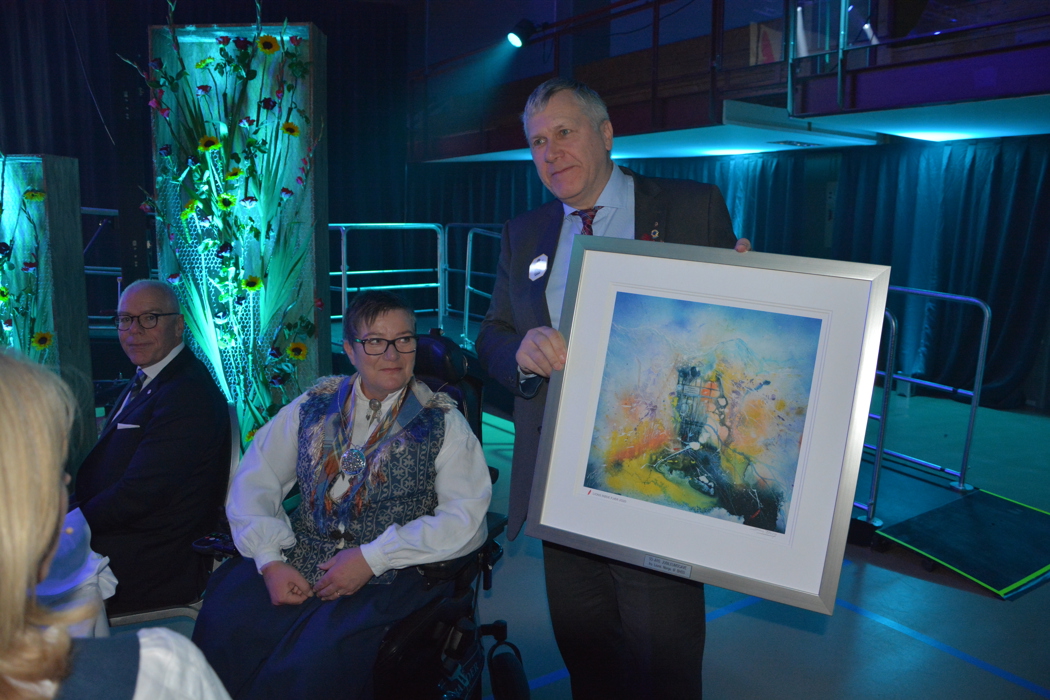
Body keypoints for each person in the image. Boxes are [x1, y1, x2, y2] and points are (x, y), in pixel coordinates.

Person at [476, 77, 749, 700]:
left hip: (660, 481)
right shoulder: (524, 232)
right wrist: (519, 352)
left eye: (564, 133)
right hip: (560, 484)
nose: (550, 153)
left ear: (605, 133)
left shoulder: (691, 208)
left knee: (663, 663)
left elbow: (725, 333)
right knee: (589, 659)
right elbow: (492, 332)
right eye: (537, 142)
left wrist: (749, 292)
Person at [192, 290, 492, 700]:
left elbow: (466, 520)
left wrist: (373, 558)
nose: (392, 354)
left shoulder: (443, 421)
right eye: (375, 341)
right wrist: (269, 560)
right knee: (226, 623)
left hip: (390, 572)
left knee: (309, 664)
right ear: (350, 349)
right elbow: (256, 479)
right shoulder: (313, 406)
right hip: (302, 553)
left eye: (404, 340)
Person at [0, 351, 231, 700]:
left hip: (161, 549)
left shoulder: (187, 390)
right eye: (52, 472)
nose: (66, 480)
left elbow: (142, 493)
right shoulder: (162, 671)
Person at [73, 279, 231, 614]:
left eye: (150, 318)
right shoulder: (153, 375)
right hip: (127, 539)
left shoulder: (186, 393)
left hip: (151, 561)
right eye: (125, 319)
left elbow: (140, 494)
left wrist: (66, 526)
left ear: (179, 325)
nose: (134, 330)